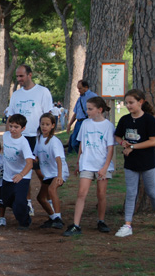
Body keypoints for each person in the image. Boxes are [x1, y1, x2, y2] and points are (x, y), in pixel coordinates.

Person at [113, 89, 155, 237]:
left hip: (147, 162)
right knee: (131, 192)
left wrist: (132, 146)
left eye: (131, 103)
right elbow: (117, 136)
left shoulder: (149, 120)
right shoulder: (125, 120)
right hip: (130, 163)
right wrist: (123, 143)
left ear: (141, 102)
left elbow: (152, 142)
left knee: (151, 192)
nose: (128, 106)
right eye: (126, 103)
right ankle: (127, 225)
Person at [6, 64, 53, 216]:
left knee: (41, 172)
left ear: (30, 75)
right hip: (20, 138)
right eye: (17, 77)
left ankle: (49, 197)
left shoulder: (42, 92)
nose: (19, 79)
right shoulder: (16, 95)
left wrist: (47, 138)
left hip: (37, 137)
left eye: (21, 76)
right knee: (23, 173)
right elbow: (10, 118)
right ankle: (27, 203)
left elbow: (49, 116)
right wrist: (9, 137)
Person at [63, 97, 114, 236]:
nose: (87, 111)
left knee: (101, 194)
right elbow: (82, 144)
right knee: (81, 193)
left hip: (102, 165)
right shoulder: (85, 123)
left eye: (90, 109)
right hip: (87, 163)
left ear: (100, 110)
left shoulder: (108, 126)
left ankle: (101, 221)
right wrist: (79, 162)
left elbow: (110, 149)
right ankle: (76, 224)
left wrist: (105, 167)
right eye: (87, 108)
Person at [0, 114, 35, 229]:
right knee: (6, 200)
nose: (13, 129)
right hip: (8, 175)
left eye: (16, 127)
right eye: (11, 126)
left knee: (19, 202)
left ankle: (25, 222)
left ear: (23, 128)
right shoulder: (5, 135)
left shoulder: (23, 143)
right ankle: (24, 207)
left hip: (22, 176)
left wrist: (21, 174)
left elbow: (30, 163)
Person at [34, 113, 69, 230]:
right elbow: (35, 157)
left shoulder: (54, 141)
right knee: (40, 197)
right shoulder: (39, 139)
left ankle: (58, 218)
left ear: (53, 125)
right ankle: (52, 217)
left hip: (59, 171)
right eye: (42, 124)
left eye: (47, 124)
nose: (44, 127)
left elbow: (59, 159)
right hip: (48, 173)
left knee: (51, 189)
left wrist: (59, 175)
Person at [67, 80, 97, 154]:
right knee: (74, 142)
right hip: (79, 122)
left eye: (80, 88)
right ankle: (82, 155)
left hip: (87, 121)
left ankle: (86, 155)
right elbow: (76, 113)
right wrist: (70, 124)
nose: (78, 90)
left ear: (86, 87)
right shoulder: (79, 99)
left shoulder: (93, 96)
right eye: (78, 88)